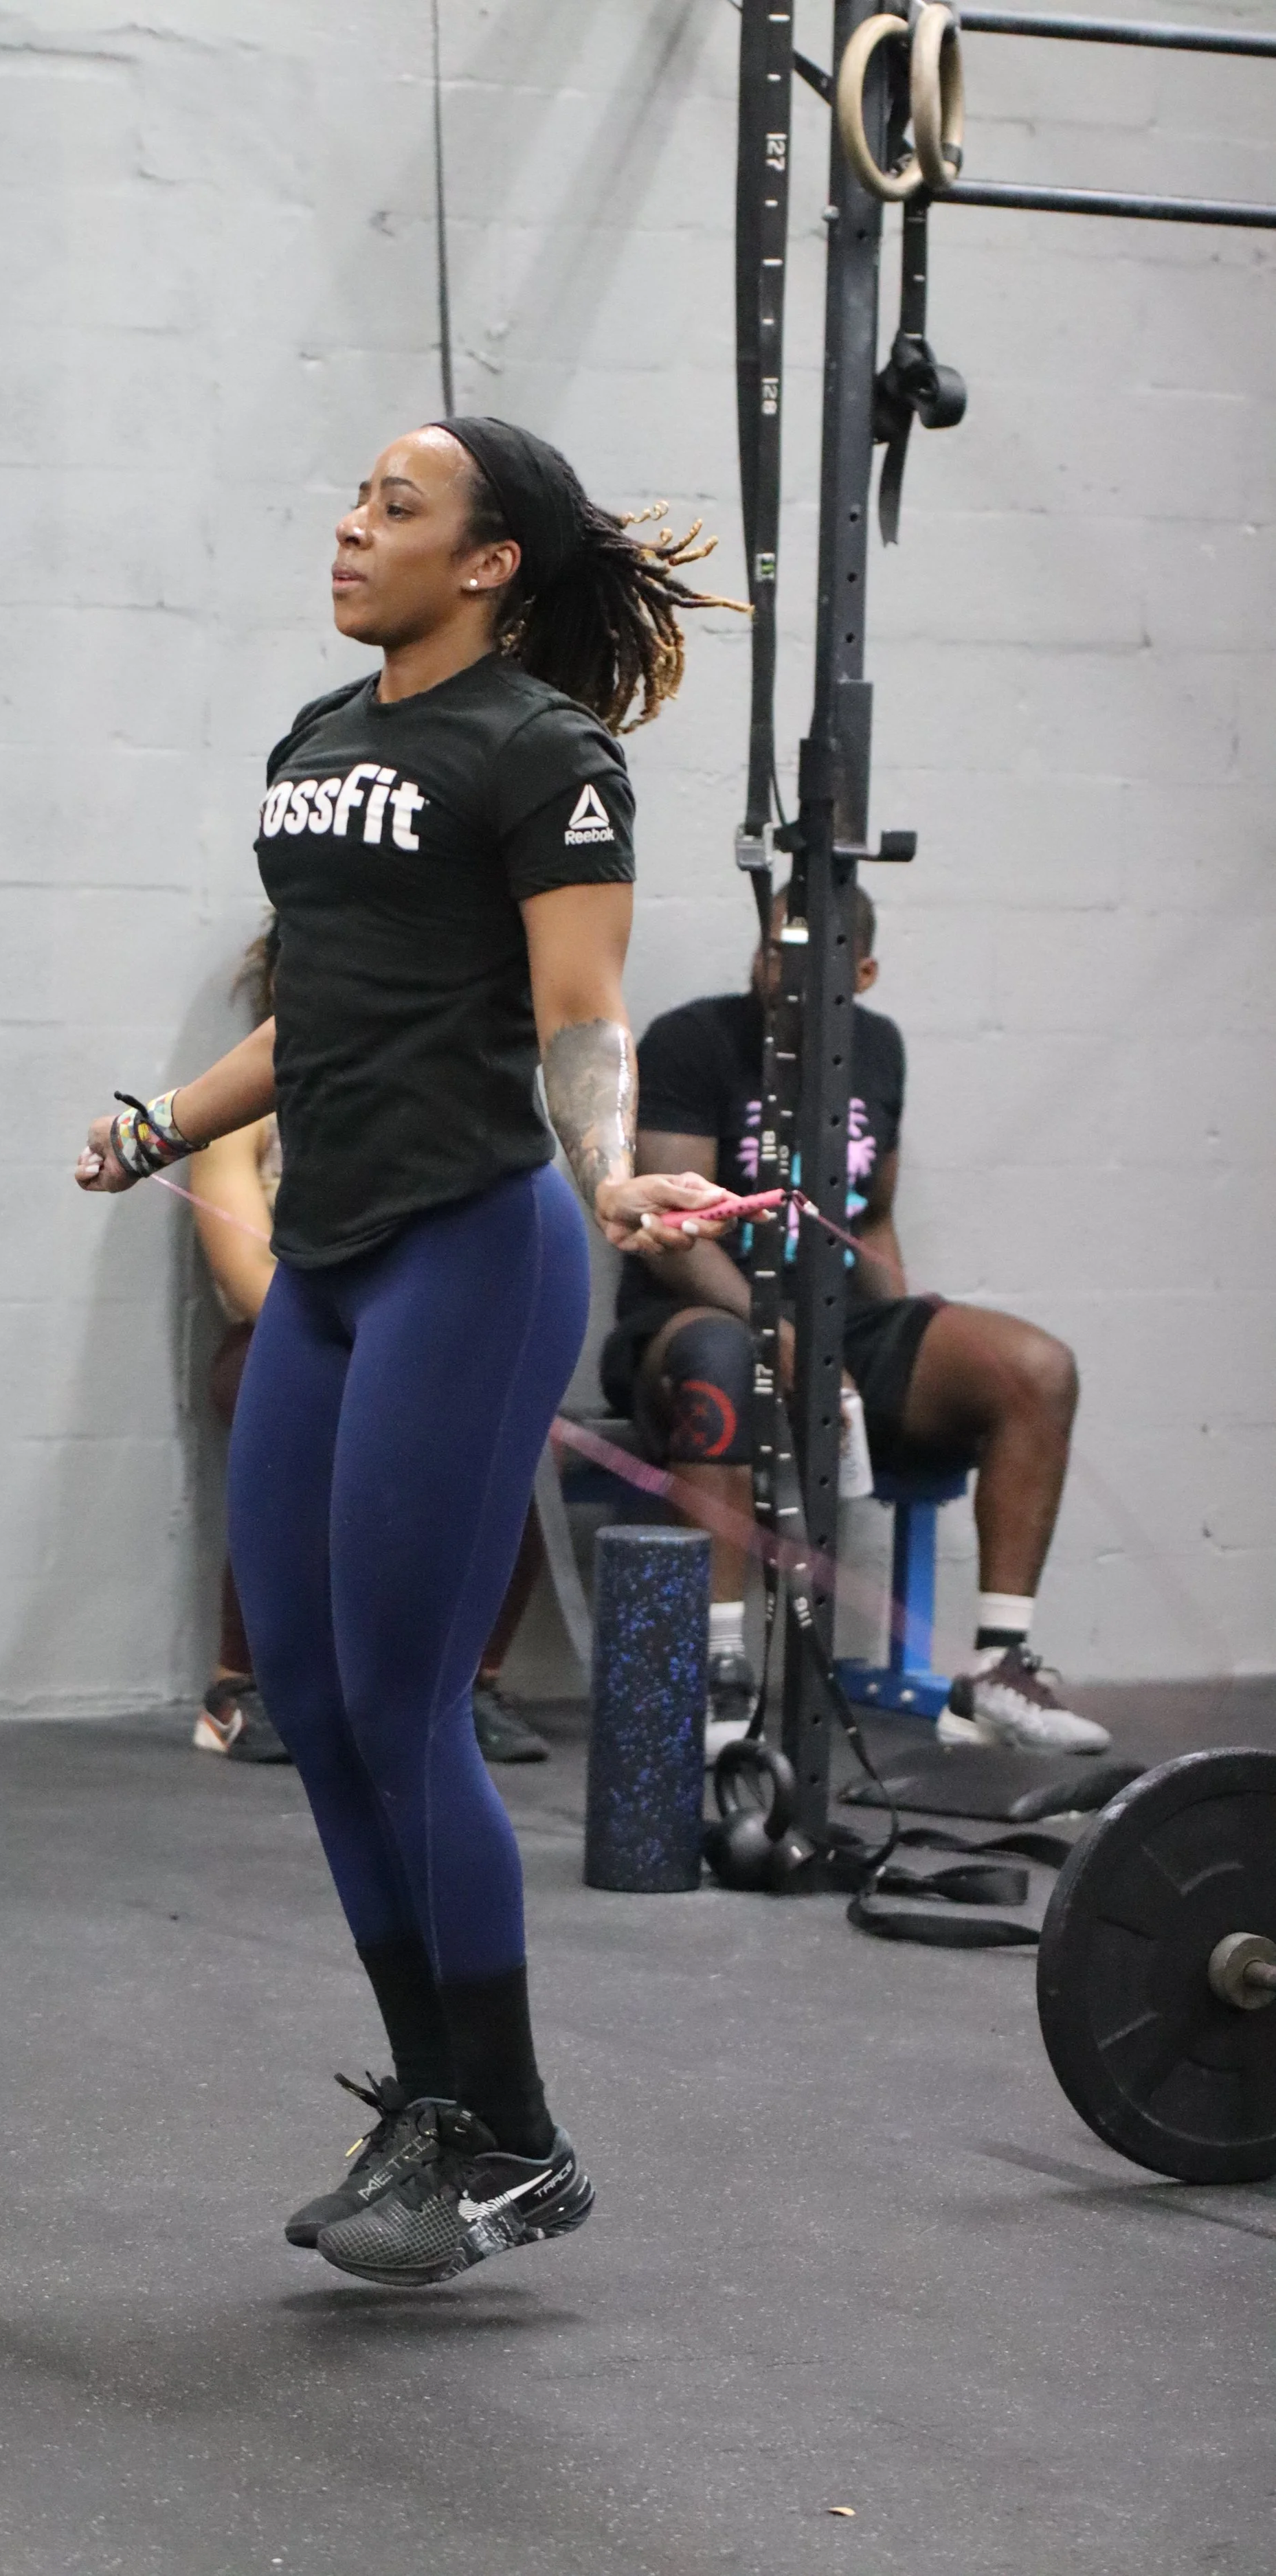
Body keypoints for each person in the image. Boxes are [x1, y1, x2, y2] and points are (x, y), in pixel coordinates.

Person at [76, 416, 741, 2285]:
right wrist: (154, 1123)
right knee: (302, 1680)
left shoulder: (547, 754)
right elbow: (319, 1019)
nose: (351, 525)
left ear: (489, 563)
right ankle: (439, 2099)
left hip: (475, 1240)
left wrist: (615, 1179)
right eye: (356, 495)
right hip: (336, 1254)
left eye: (397, 508)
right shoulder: (319, 745)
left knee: (402, 1690)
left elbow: (580, 1011)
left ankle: (512, 2135)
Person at [601, 884, 1109, 1756]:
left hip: (833, 1323)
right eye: (772, 949)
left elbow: (867, 1219)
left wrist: (904, 1335)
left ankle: (996, 1671)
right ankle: (720, 1678)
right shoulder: (693, 1041)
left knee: (1033, 1368)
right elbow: (673, 1235)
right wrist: (780, 1331)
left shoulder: (877, 1051)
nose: (783, 969)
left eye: (811, 957)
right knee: (732, 1360)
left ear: (862, 971)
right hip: (691, 1322)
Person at [188, 925, 554, 1767]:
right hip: (284, 1334)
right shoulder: (236, 1119)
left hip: (412, 1341)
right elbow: (248, 1271)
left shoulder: (417, 1106)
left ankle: (471, 1685)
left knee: (508, 1448)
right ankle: (238, 1685)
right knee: (284, 1413)